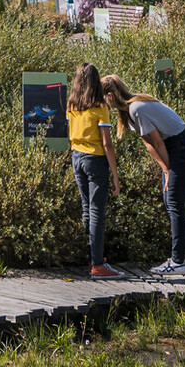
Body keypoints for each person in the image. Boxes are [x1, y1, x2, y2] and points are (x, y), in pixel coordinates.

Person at [102, 75, 185, 275]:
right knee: (169, 200)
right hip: (175, 147)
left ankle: (178, 261)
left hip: (182, 146)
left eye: (102, 97)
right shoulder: (129, 111)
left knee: (173, 201)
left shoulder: (136, 108)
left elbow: (157, 142)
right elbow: (149, 144)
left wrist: (167, 170)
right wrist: (165, 169)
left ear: (110, 96)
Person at [67, 63, 124, 279]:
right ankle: (98, 265)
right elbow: (107, 144)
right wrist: (115, 176)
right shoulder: (100, 108)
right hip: (95, 160)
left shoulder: (71, 106)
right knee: (97, 212)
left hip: (76, 158)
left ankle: (92, 259)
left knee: (86, 209)